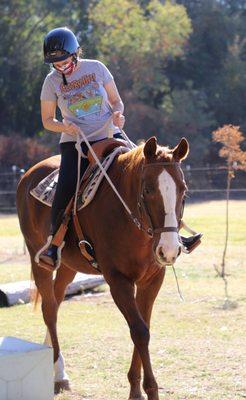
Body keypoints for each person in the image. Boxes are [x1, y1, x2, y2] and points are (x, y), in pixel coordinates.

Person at [38, 27, 201, 271]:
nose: (60, 67)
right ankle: (54, 243)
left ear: (74, 54)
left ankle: (176, 233)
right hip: (76, 142)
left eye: (64, 61)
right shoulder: (51, 83)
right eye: (55, 64)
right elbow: (47, 121)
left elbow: (117, 101)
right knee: (65, 186)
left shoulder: (97, 68)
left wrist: (118, 113)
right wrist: (65, 127)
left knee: (148, 177)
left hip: (110, 134)